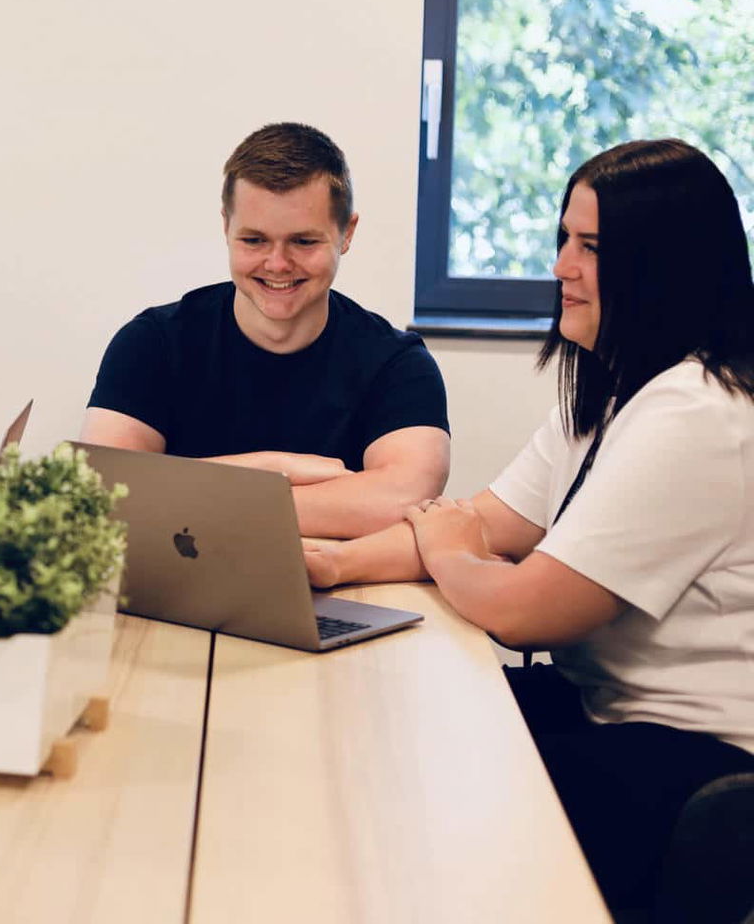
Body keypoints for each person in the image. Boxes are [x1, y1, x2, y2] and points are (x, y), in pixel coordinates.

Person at [304, 138, 754, 917]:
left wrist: (451, 555)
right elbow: (475, 520)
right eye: (563, 240)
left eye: (591, 248)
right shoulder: (615, 396)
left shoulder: (698, 414)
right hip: (606, 709)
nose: (561, 268)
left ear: (663, 267)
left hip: (703, 762)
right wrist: (333, 565)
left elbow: (525, 611)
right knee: (399, 718)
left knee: (421, 786)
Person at [81, 122, 450, 537]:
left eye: (304, 242)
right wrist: (276, 467)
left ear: (346, 233)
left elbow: (406, 497)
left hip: (343, 590)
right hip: (176, 592)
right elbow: (104, 492)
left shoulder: (398, 364)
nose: (277, 264)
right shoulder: (152, 343)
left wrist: (177, 495)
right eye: (254, 241)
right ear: (226, 227)